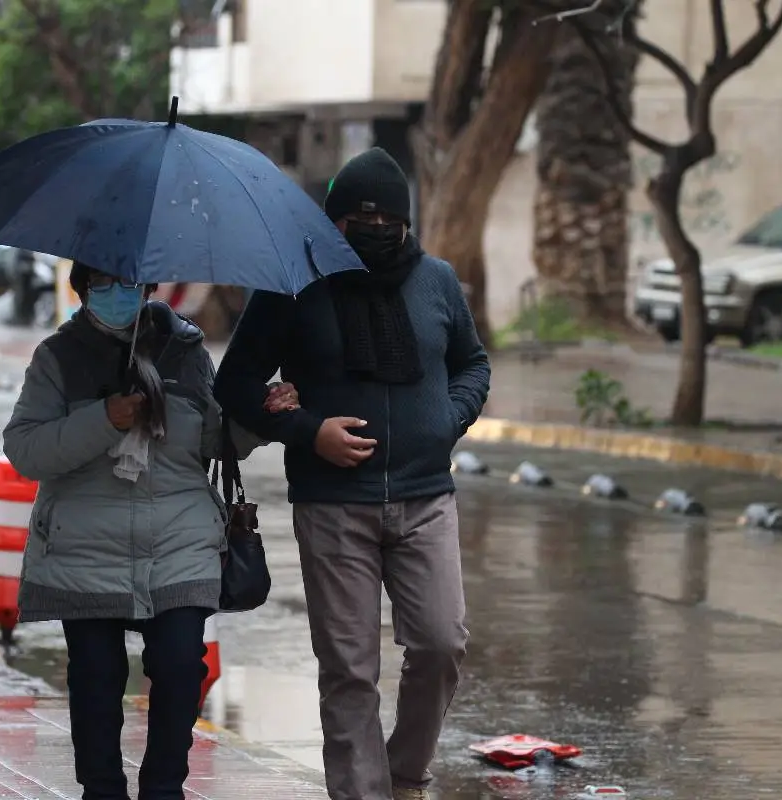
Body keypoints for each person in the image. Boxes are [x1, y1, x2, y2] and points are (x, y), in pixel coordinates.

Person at [213, 147, 491, 800]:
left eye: (384, 217)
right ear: (331, 221)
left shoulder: (437, 281)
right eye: (356, 216)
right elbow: (237, 382)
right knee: (349, 671)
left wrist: (444, 421)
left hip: (426, 499)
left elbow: (473, 363)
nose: (370, 227)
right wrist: (310, 431)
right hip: (333, 505)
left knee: (442, 644)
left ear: (404, 221)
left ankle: (404, 778)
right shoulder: (294, 285)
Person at [3, 266, 297, 800]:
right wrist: (104, 420)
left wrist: (260, 417)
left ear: (148, 287)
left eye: (127, 282)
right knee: (95, 680)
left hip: (179, 540)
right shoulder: (57, 357)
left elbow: (213, 438)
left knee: (183, 665)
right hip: (84, 544)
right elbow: (26, 451)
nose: (116, 293)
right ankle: (103, 790)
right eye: (102, 282)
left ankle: (164, 789)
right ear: (82, 287)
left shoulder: (185, 352)